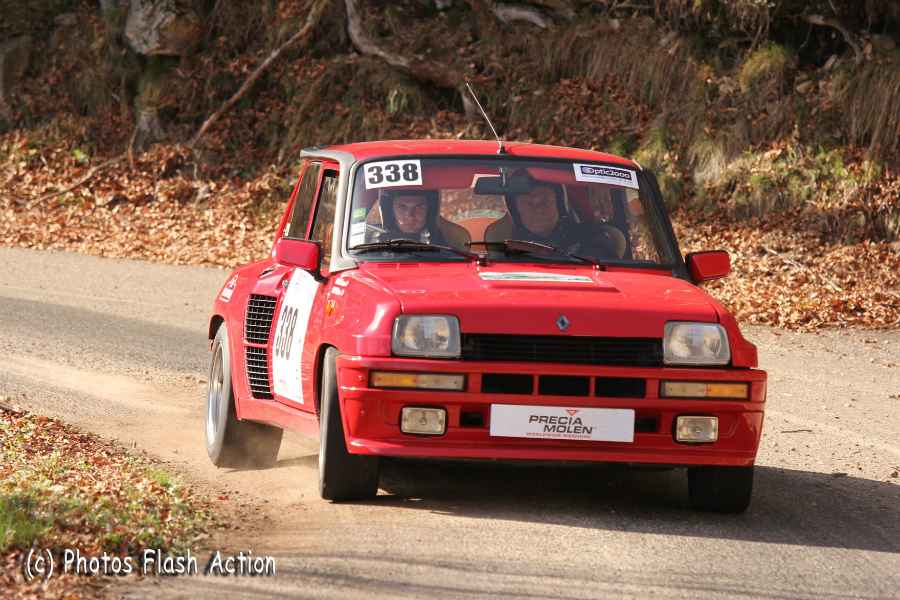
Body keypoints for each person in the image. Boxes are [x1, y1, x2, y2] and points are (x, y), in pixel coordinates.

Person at [506, 178, 617, 259]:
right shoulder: (513, 250)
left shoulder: (591, 232)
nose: (539, 210)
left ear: (559, 205)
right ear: (517, 214)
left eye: (545, 201)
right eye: (528, 205)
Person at [366, 189, 447, 246]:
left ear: (429, 211)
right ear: (391, 210)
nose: (410, 216)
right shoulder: (372, 243)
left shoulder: (445, 249)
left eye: (418, 207)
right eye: (402, 207)